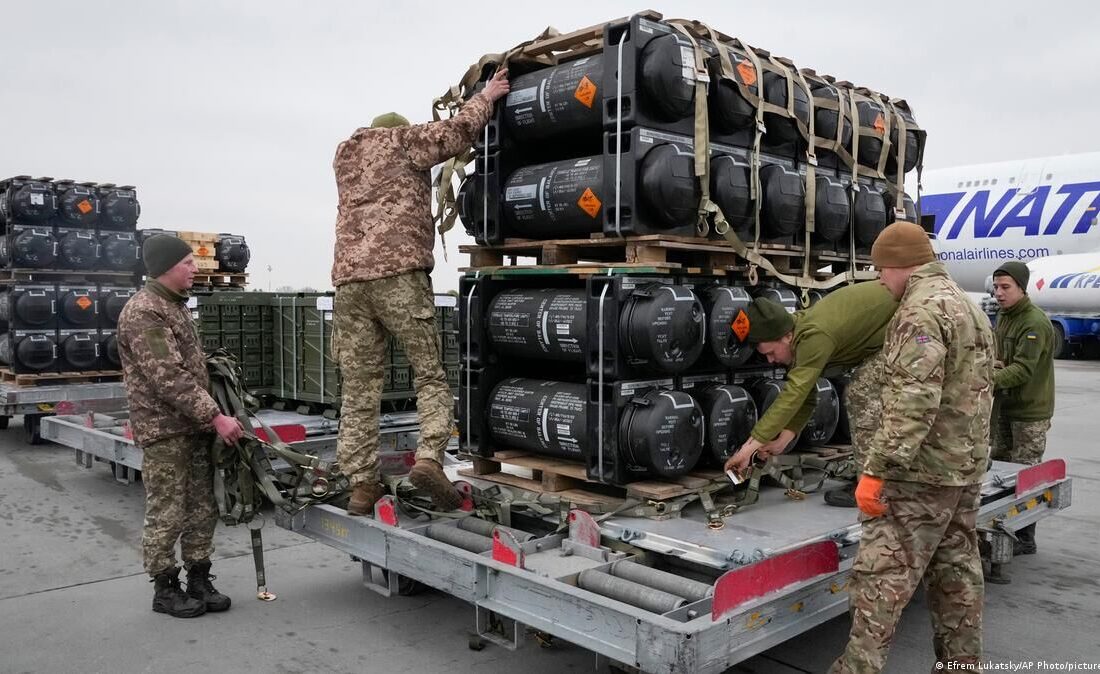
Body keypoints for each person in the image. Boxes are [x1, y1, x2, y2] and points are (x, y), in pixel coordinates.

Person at [331, 69, 510, 516]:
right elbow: (454, 133)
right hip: (399, 277)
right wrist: (486, 97)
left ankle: (361, 485)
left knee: (359, 388)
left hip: (349, 284)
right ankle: (430, 459)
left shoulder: (345, 157)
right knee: (429, 374)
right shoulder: (402, 142)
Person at [829, 221, 994, 673]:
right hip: (964, 468)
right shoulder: (969, 305)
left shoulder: (920, 311)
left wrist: (877, 468)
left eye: (881, 270)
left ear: (899, 265)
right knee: (956, 572)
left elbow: (913, 398)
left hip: (919, 474)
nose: (880, 280)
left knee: (880, 580)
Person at [118, 234, 245, 618]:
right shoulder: (145, 313)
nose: (195, 269)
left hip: (192, 426)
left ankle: (199, 577)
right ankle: (165, 586)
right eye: (189, 263)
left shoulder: (174, 307)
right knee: (168, 510)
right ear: (166, 267)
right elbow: (168, 376)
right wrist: (215, 415)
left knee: (201, 507)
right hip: (166, 429)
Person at [723, 282, 899, 508]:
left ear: (786, 337)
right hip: (888, 333)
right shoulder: (798, 335)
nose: (771, 360)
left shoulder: (814, 336)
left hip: (907, 323)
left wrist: (748, 448)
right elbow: (806, 393)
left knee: (862, 395)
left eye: (771, 353)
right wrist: (781, 441)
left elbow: (794, 394)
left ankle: (875, 486)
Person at [990, 260, 1055, 555]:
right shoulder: (1005, 316)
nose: (999, 293)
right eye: (996, 287)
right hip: (1006, 406)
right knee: (1000, 472)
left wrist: (986, 379)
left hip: (1029, 412)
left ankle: (1025, 537)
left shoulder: (1034, 322)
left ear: (1021, 288)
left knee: (1025, 477)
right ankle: (1002, 529)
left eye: (1005, 287)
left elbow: (1022, 370)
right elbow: (1003, 358)